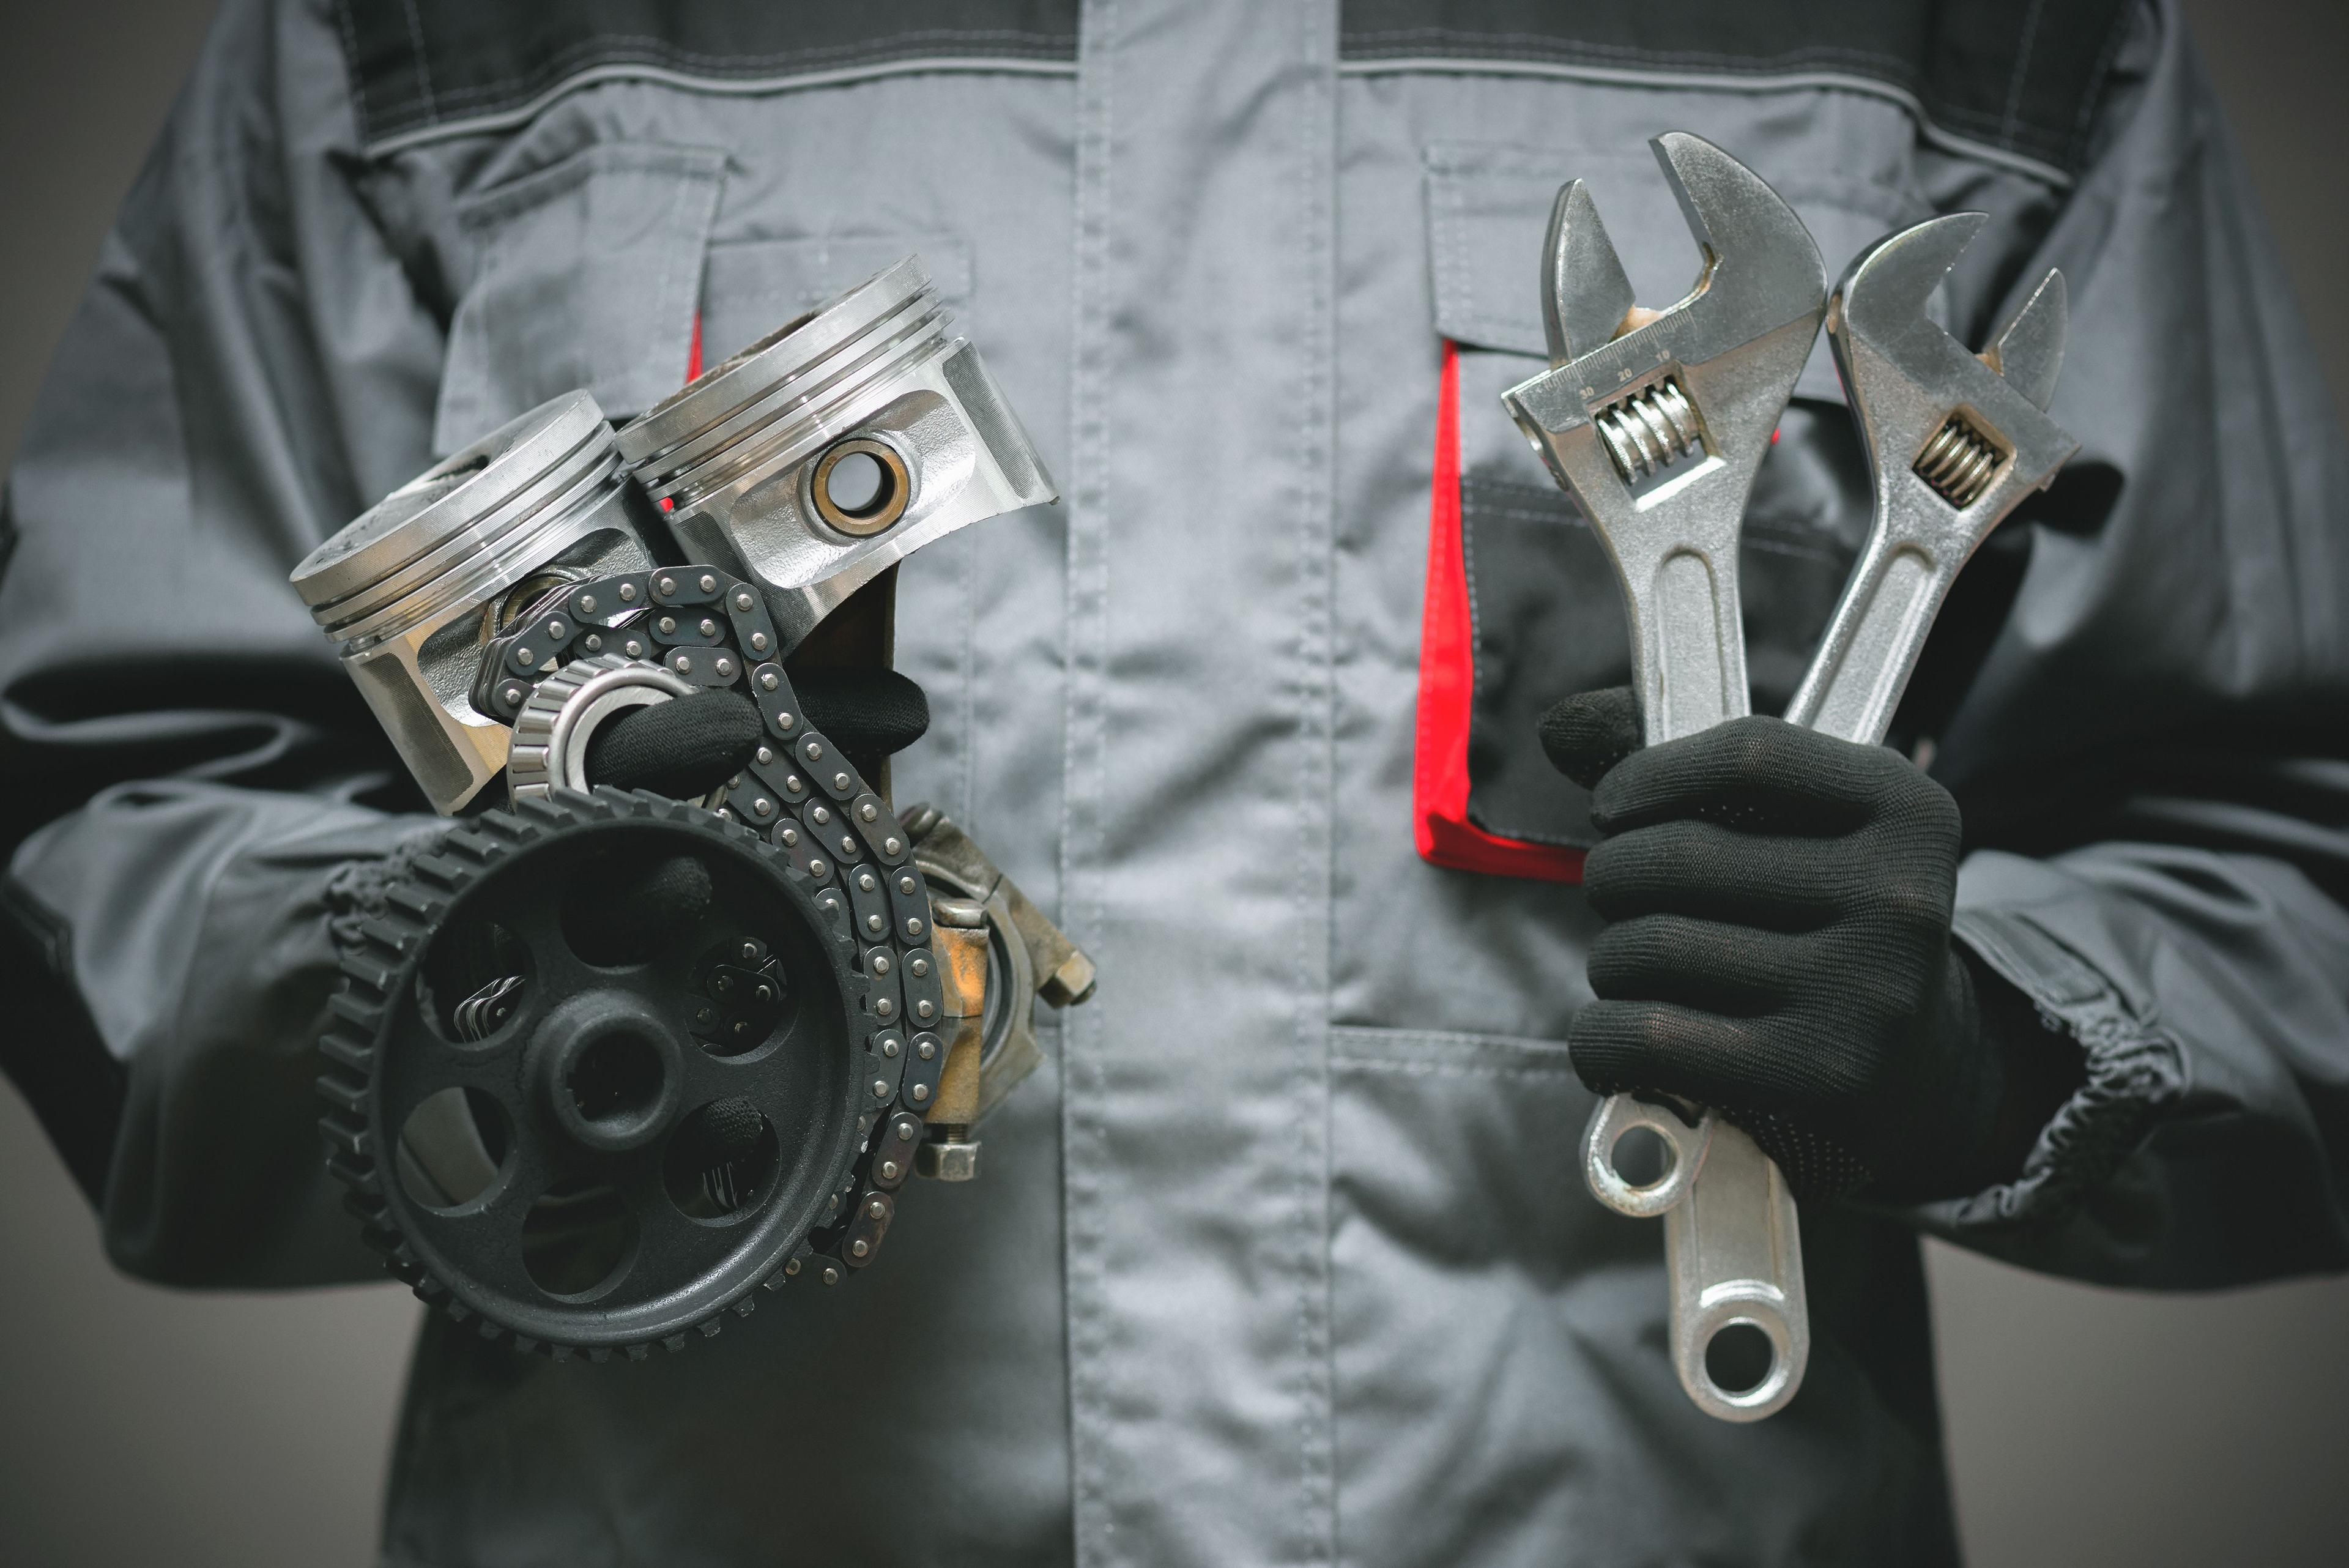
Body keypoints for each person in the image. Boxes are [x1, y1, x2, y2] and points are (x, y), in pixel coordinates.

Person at [4, 2, 2345, 1563]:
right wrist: (505, 962)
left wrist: (1985, 1049)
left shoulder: (1976, 24)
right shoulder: (443, 19)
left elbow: (2294, 878)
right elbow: (95, 844)